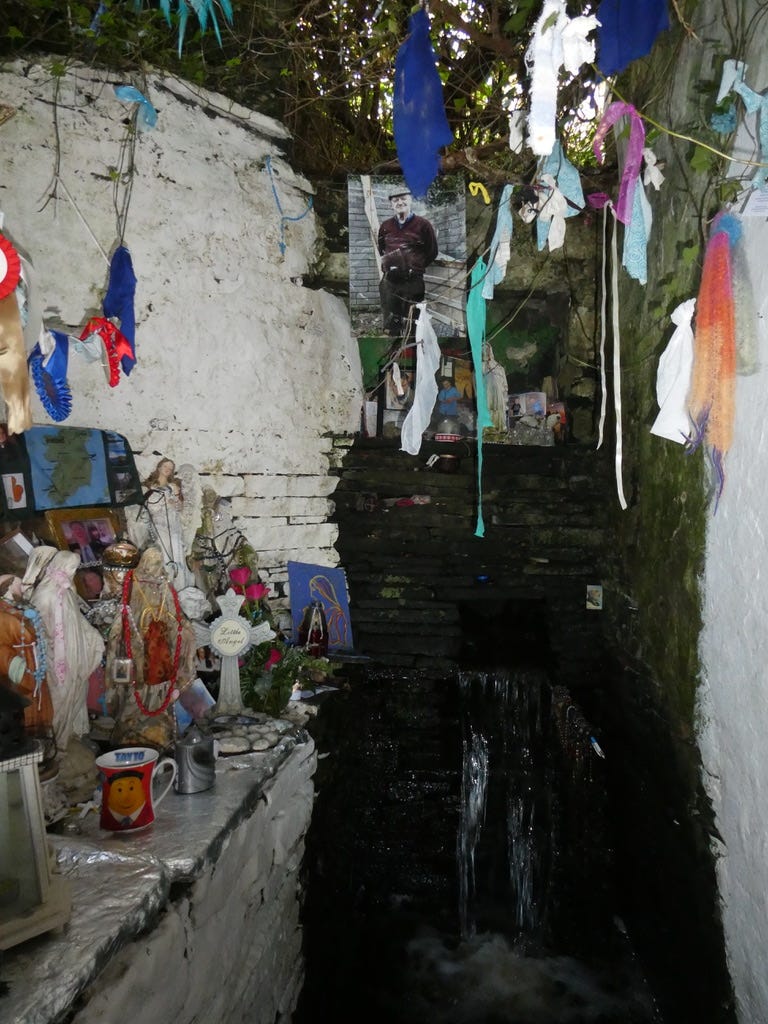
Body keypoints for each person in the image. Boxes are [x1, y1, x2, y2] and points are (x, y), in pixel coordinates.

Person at [378, 191, 438, 337]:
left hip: (413, 282)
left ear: (410, 200)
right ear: (391, 204)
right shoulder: (385, 226)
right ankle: (394, 339)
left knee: (413, 323)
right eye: (395, 200)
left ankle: (411, 339)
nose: (400, 203)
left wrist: (415, 266)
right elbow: (382, 249)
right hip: (391, 281)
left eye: (403, 199)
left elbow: (432, 251)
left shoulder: (423, 225)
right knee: (392, 323)